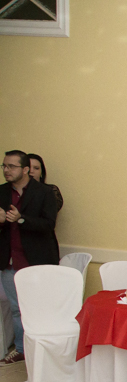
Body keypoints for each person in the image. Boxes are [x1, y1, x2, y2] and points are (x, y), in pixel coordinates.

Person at [0, 150, 60, 366]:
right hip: (9, 260)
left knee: (40, 307)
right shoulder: (1, 192)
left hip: (37, 260)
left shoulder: (44, 192)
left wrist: (21, 219)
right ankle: (21, 349)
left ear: (25, 169)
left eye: (12, 166)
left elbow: (48, 224)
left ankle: (43, 350)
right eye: (4, 166)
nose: (6, 170)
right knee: (17, 308)